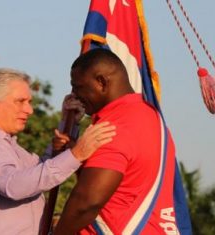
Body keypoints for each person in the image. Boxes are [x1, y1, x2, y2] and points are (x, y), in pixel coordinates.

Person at [0, 68, 116, 235]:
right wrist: (77, 154)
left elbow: (40, 174)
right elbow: (15, 185)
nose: (29, 110)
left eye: (29, 102)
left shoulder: (7, 145)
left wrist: (68, 124)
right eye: (20, 101)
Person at [53, 48, 181, 235]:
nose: (74, 94)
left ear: (101, 82)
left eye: (78, 87)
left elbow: (87, 202)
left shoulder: (114, 127)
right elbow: (127, 182)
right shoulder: (151, 117)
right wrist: (74, 153)